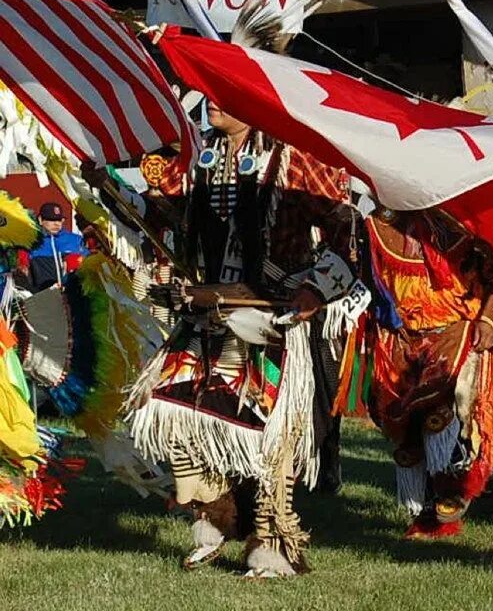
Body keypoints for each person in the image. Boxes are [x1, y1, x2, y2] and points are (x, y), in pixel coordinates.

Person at [127, 101, 360, 578]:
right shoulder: (199, 155)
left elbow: (346, 228)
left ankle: (271, 542)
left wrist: (314, 288)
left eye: (223, 91)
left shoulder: (296, 158)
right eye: (207, 90)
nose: (211, 99)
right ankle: (215, 513)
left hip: (270, 317)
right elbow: (166, 210)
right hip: (206, 312)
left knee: (269, 439)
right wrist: (120, 199)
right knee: (175, 412)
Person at [364, 207, 493, 537]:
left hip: (457, 327)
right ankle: (427, 509)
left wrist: (490, 318)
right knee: (407, 429)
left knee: (442, 416)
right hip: (402, 334)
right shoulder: (381, 223)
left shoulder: (471, 215)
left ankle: (449, 495)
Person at [22, 202, 87, 292]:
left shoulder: (75, 240)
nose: (56, 224)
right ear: (40, 220)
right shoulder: (32, 243)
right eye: (52, 220)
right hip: (45, 295)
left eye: (59, 220)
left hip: (74, 294)